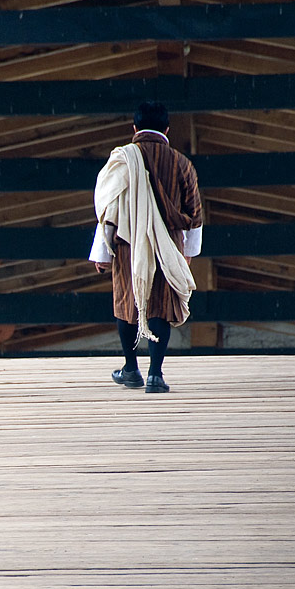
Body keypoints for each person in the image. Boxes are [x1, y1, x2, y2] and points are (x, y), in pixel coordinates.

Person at [89, 102, 203, 393]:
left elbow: (108, 209)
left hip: (128, 244)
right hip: (167, 245)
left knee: (128, 303)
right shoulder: (182, 163)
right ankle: (155, 375)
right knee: (160, 307)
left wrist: (101, 252)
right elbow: (195, 214)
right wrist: (187, 253)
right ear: (167, 130)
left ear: (135, 128)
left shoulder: (122, 159)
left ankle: (131, 368)